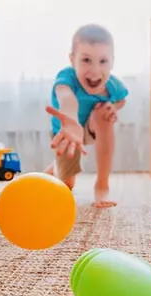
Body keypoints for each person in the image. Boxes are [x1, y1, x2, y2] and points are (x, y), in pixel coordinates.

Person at [44, 24, 128, 208]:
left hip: (91, 127)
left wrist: (113, 107)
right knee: (66, 185)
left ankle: (102, 185)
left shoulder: (113, 85)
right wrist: (72, 121)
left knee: (103, 112)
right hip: (67, 134)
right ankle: (51, 172)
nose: (95, 70)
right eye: (86, 60)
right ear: (72, 60)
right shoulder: (66, 78)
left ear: (112, 62)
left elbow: (122, 100)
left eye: (103, 61)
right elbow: (67, 99)